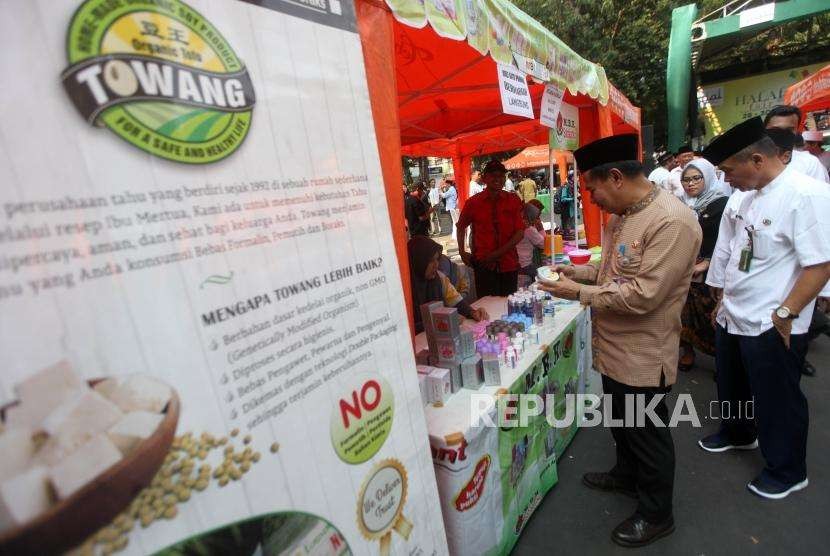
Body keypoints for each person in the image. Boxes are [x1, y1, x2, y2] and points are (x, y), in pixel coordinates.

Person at [539, 134, 701, 547]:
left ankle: (656, 513)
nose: (590, 199)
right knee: (623, 423)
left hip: (644, 352)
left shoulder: (672, 221)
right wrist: (580, 275)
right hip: (612, 348)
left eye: (591, 189)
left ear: (614, 177)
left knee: (647, 434)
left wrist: (574, 294)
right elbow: (615, 275)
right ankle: (626, 475)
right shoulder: (621, 217)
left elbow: (644, 295)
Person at [698, 116, 830, 500]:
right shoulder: (750, 195)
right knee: (732, 383)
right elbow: (742, 251)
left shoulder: (806, 194)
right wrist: (722, 298)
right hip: (736, 312)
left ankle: (787, 471)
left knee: (778, 399)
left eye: (727, 171)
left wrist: (786, 313)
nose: (724, 180)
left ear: (756, 160)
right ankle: (738, 434)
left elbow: (820, 263)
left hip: (773, 319)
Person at [678, 158, 728, 371]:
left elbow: (726, 242)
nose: (690, 184)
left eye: (696, 178)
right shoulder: (679, 203)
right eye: (685, 180)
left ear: (707, 177)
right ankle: (687, 352)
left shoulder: (722, 203)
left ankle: (721, 359)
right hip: (683, 267)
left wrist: (707, 262)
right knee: (682, 314)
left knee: (710, 315)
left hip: (711, 270)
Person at [456, 160, 525, 297]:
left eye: (501, 176)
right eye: (493, 175)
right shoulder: (473, 203)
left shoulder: (512, 200)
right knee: (486, 308)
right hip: (483, 265)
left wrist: (496, 254)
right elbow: (460, 227)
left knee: (509, 306)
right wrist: (462, 251)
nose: (497, 179)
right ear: (485, 178)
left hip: (508, 264)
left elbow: (520, 233)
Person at [763, 105, 829, 183]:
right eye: (776, 130)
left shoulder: (809, 163)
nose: (783, 134)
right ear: (764, 131)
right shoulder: (750, 161)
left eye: (789, 130)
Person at [517, 203, 546, 285]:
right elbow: (543, 244)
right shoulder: (529, 229)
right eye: (537, 217)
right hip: (525, 264)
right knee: (542, 278)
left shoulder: (517, 225)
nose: (538, 220)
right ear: (531, 217)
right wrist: (541, 228)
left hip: (518, 262)